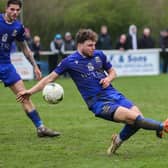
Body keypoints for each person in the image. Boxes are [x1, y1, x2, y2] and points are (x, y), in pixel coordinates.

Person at [17, 29, 168, 155]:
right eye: (90, 45)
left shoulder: (99, 55)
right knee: (135, 118)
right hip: (98, 103)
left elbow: (113, 71)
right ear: (80, 45)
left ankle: (117, 141)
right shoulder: (69, 61)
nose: (93, 48)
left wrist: (109, 78)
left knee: (137, 119)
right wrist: (30, 91)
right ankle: (162, 126)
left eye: (94, 45)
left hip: (113, 94)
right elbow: (48, 79)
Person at [0, 0, 60, 137]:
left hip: (5, 64)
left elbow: (25, 48)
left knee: (24, 95)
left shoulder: (18, 27)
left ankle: (41, 128)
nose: (15, 13)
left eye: (17, 10)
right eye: (12, 9)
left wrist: (34, 66)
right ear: (6, 9)